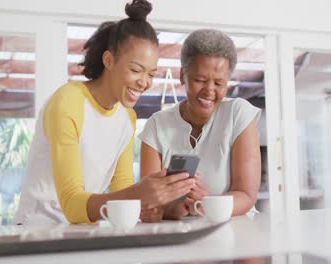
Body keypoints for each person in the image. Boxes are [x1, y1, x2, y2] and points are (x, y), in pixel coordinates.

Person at [14, 0, 195, 225]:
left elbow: (122, 190)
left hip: (82, 234)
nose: (144, 82)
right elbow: (71, 204)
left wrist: (151, 207)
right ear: (109, 60)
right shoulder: (68, 102)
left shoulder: (126, 118)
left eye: (151, 74)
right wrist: (139, 195)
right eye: (136, 70)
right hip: (37, 231)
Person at [138, 29, 262, 222]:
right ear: (182, 76)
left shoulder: (238, 114)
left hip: (237, 231)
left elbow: (246, 195)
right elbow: (150, 202)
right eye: (200, 80)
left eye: (219, 83)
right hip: (178, 235)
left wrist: (207, 203)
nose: (209, 91)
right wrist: (174, 209)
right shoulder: (157, 125)